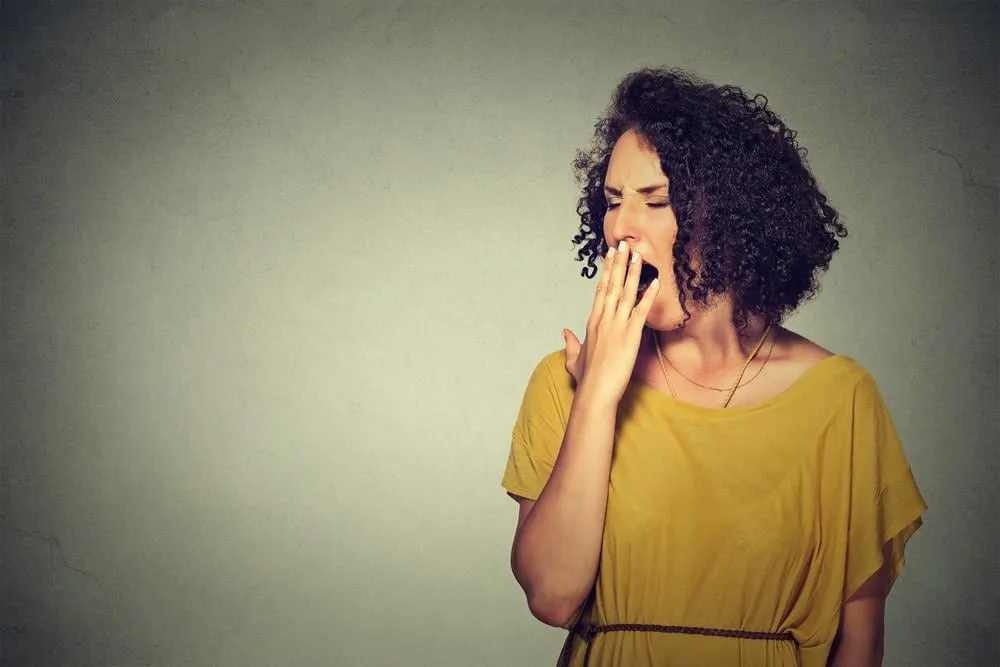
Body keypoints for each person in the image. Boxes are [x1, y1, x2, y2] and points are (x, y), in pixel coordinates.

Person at [500, 68, 927, 667]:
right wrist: (597, 396)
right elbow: (551, 595)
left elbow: (860, 646)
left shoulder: (841, 400)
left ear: (732, 221)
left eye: (655, 201)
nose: (621, 228)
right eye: (613, 202)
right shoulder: (565, 382)